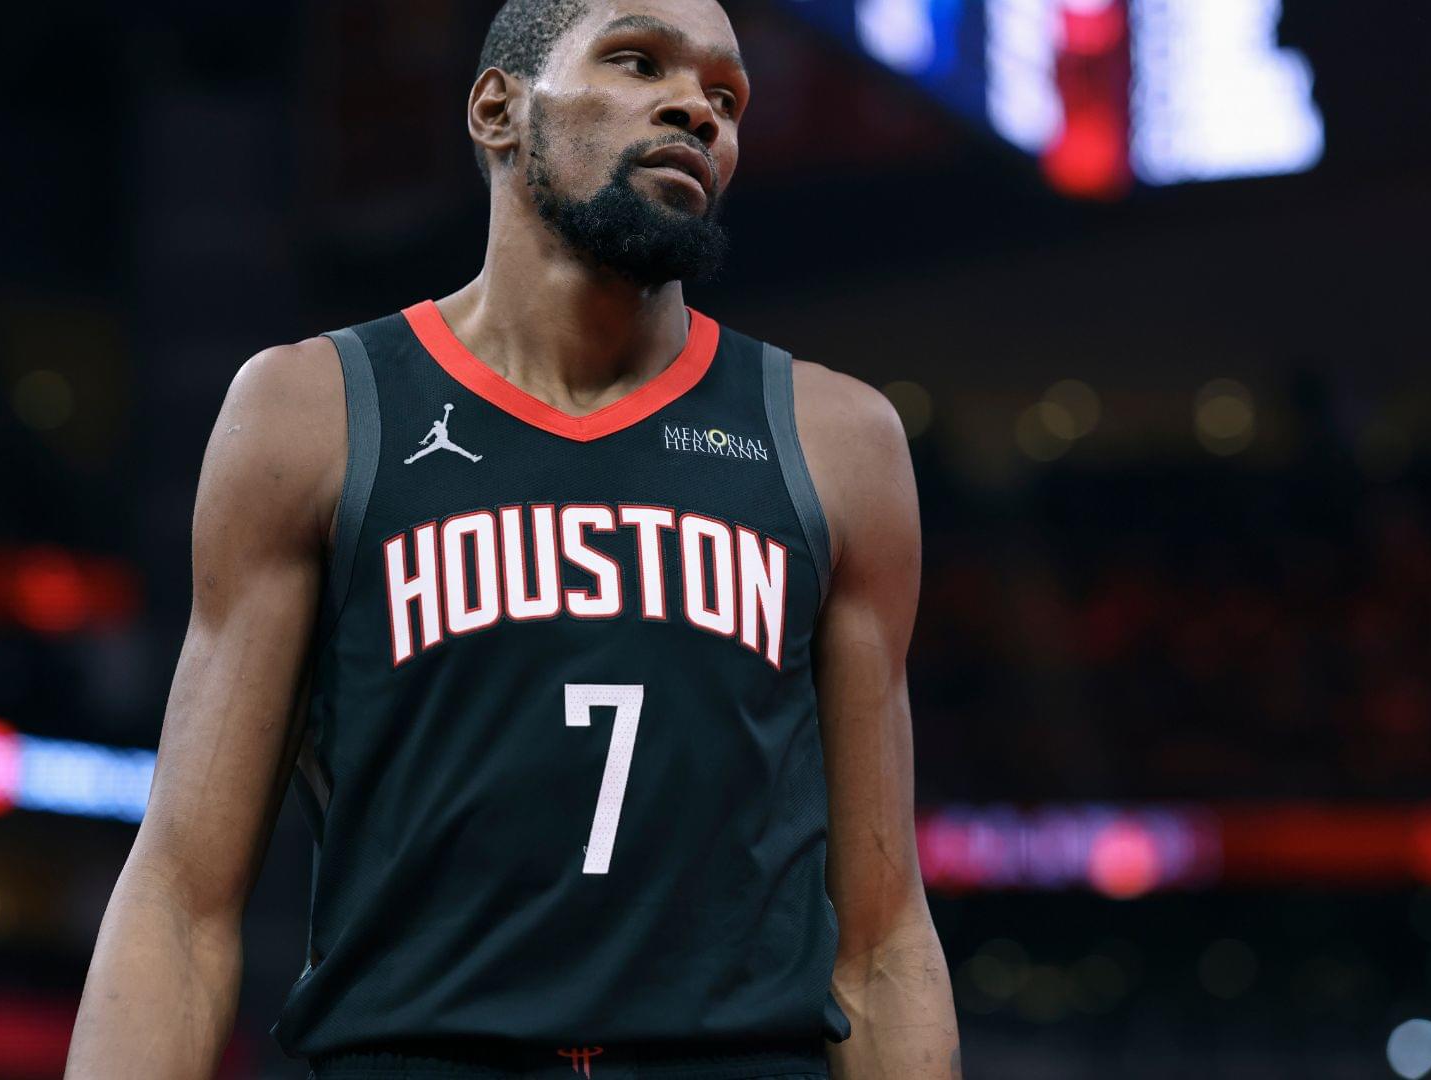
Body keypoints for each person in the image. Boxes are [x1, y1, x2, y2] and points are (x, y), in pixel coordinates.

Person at [64, 1, 960, 1077]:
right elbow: (179, 893)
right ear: (499, 108)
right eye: (639, 62)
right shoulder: (314, 411)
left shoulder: (837, 439)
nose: (698, 108)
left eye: (728, 98)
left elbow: (882, 938)